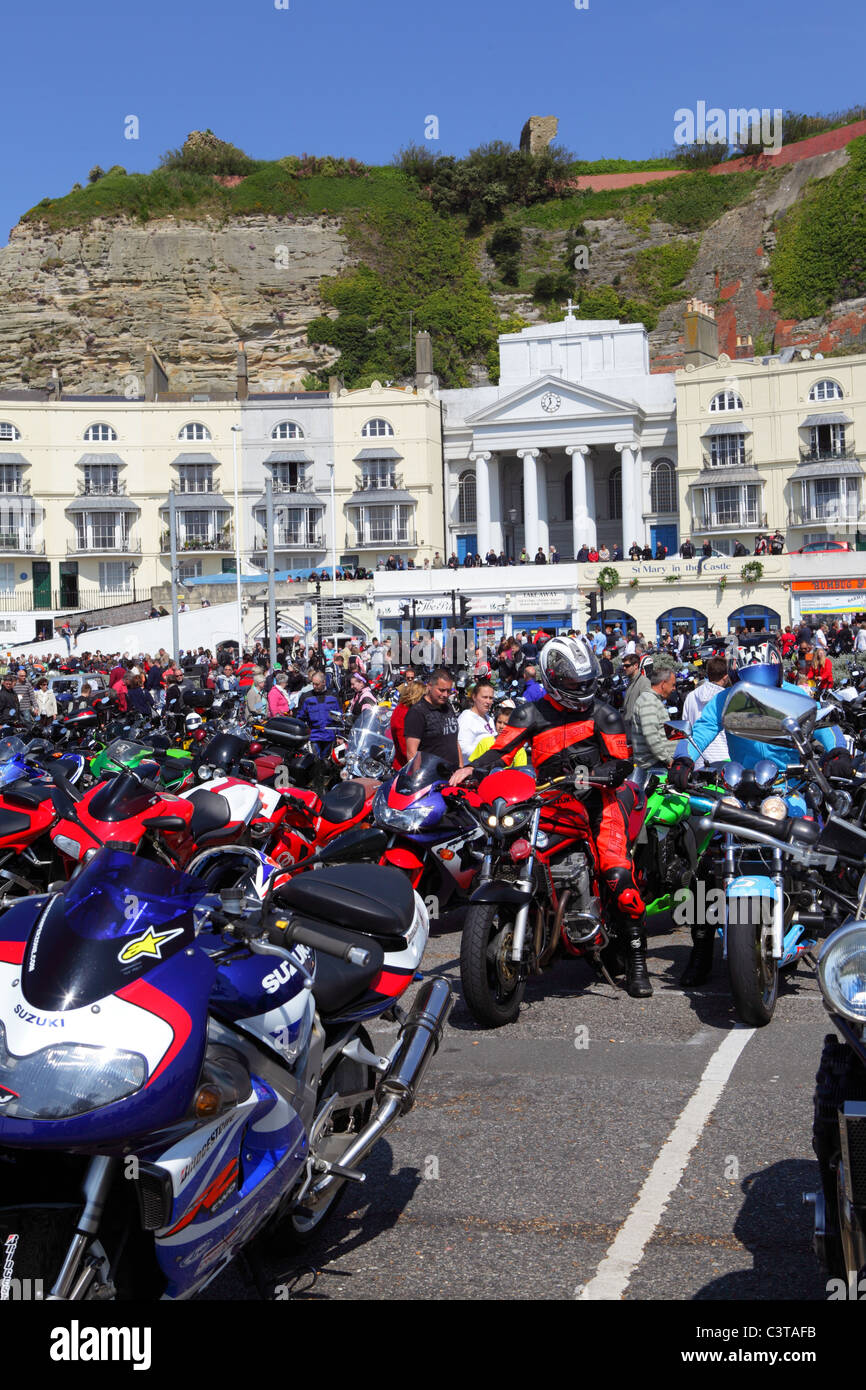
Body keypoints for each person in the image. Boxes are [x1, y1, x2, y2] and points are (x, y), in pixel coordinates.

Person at [452, 635, 652, 997]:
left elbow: (624, 761)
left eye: (586, 682)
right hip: (546, 803)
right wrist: (472, 771)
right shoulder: (530, 713)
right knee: (508, 851)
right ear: (553, 680)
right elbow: (501, 751)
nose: (583, 689)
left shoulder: (603, 713)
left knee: (618, 876)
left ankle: (638, 963)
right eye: (575, 684)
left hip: (598, 803)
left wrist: (609, 773)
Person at [403, 668, 462, 771]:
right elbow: (412, 753)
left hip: (453, 776)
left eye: (448, 691)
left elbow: (454, 741)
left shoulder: (447, 706)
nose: (445, 695)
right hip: (430, 777)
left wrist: (461, 767)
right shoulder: (417, 712)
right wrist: (417, 779)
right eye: (441, 690)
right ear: (429, 686)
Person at [631, 658, 680, 769]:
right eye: (672, 685)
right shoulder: (649, 701)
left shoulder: (652, 700)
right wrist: (667, 759)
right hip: (654, 764)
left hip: (656, 762)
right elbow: (651, 735)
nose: (674, 688)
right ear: (663, 684)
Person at [681, 655, 730, 766]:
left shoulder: (691, 697)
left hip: (697, 759)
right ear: (726, 677)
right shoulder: (727, 699)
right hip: (724, 761)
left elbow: (685, 730)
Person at [470, 701, 529, 767]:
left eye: (506, 724)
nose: (501, 726)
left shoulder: (518, 748)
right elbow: (473, 765)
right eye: (499, 722)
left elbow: (520, 772)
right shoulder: (485, 742)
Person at [298, 671, 342, 758]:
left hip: (329, 736)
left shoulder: (333, 696)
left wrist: (340, 736)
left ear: (324, 682)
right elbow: (300, 718)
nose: (314, 686)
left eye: (317, 684)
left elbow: (339, 718)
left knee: (328, 763)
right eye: (313, 684)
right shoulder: (306, 697)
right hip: (314, 736)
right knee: (315, 762)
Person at [390, 679, 426, 768]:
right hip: (407, 767)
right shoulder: (404, 714)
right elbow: (406, 748)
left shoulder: (403, 709)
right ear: (417, 696)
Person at [457, 681, 496, 761]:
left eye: (491, 698)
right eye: (484, 697)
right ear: (474, 697)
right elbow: (462, 749)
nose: (488, 702)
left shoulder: (489, 719)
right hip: (472, 769)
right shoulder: (466, 718)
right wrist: (486, 751)